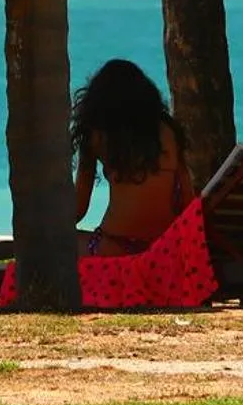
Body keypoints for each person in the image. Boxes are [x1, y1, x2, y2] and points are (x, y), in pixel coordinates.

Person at [69, 59, 192, 257]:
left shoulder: (97, 136)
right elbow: (188, 200)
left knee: (55, 244)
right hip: (164, 248)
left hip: (116, 247)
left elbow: (77, 210)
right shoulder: (169, 132)